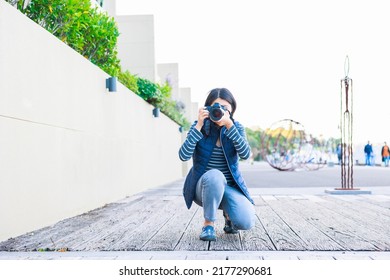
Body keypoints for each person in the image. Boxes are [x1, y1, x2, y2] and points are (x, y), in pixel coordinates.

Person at [178, 88, 255, 241]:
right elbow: (183, 155)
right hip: (204, 187)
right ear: (208, 108)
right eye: (217, 106)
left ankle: (229, 216)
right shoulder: (198, 126)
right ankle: (208, 225)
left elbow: (246, 155)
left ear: (231, 110)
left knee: (246, 221)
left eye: (225, 108)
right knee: (215, 175)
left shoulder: (236, 127)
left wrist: (229, 126)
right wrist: (199, 125)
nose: (220, 111)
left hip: (228, 188)